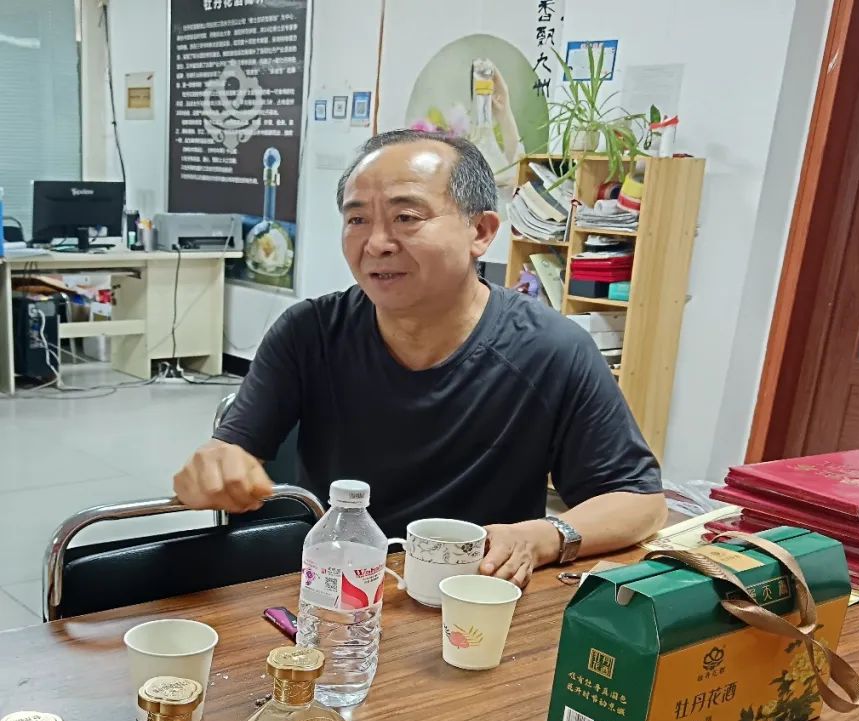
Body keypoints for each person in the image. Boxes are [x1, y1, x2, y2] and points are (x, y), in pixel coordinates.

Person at [174, 129, 666, 587]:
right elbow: (230, 451)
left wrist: (542, 536)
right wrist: (215, 465)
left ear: (481, 231)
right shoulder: (310, 334)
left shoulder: (550, 350)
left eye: (406, 218)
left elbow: (640, 501)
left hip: (476, 596)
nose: (377, 243)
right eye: (357, 219)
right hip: (338, 591)